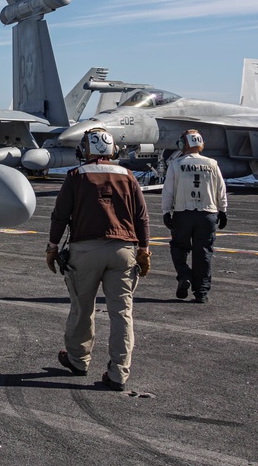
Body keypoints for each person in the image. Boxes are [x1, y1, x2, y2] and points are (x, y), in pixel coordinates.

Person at [46, 127, 150, 392]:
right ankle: (119, 374)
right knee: (122, 314)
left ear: (85, 149)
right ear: (113, 149)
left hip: (85, 250)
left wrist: (52, 247)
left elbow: (60, 215)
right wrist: (145, 250)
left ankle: (78, 360)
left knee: (83, 307)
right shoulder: (128, 176)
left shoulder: (75, 175)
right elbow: (141, 217)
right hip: (124, 250)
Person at [161, 129, 228, 304]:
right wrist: (223, 210)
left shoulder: (176, 164)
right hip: (208, 214)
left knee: (178, 247)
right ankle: (202, 293)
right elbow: (221, 189)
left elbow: (168, 191)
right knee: (204, 253)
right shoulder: (212, 164)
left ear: (184, 144)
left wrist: (166, 212)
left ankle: (184, 275)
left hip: (183, 214)